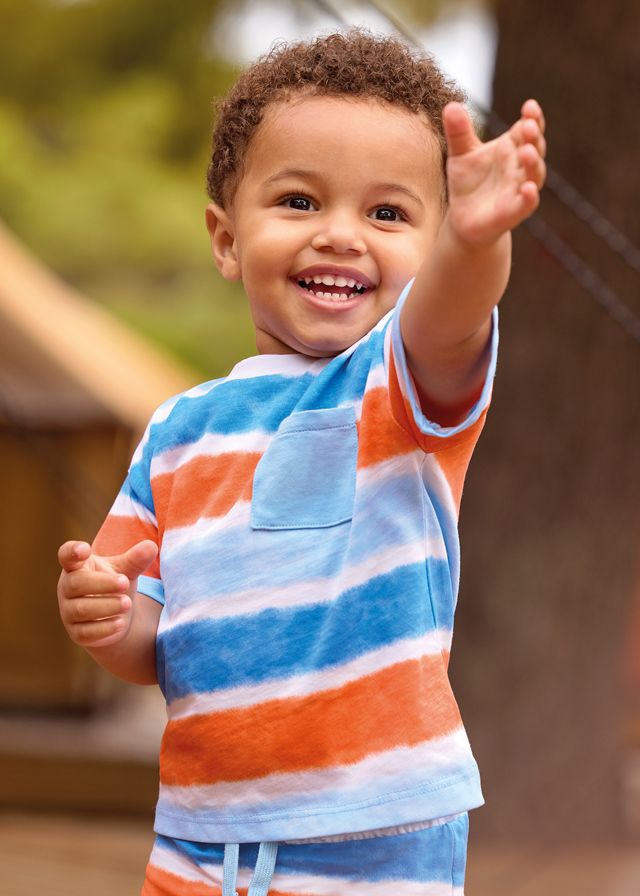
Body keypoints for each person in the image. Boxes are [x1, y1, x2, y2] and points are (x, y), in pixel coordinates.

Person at [57, 29, 546, 896]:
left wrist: (474, 245)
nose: (340, 236)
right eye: (298, 201)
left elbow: (451, 317)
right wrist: (104, 615)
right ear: (226, 238)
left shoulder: (398, 390)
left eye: (389, 214)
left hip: (376, 835)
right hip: (200, 834)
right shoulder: (178, 430)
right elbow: (150, 636)